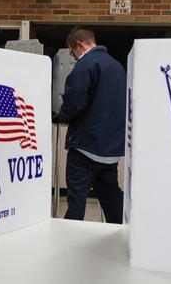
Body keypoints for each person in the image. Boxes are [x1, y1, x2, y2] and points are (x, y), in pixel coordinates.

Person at [52, 26, 126, 224]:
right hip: (110, 149)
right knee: (110, 195)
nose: (74, 57)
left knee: (77, 198)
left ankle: (71, 239)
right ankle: (121, 232)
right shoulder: (118, 67)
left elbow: (75, 101)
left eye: (72, 52)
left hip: (86, 145)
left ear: (79, 44)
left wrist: (62, 115)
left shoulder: (85, 65)